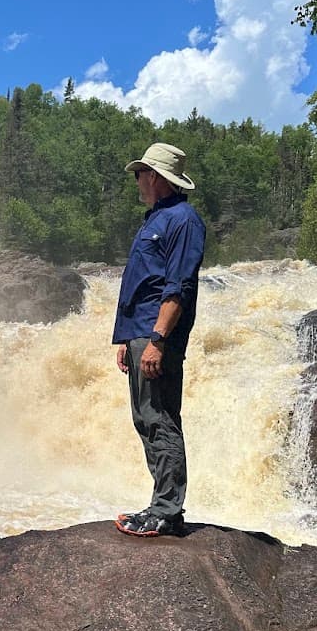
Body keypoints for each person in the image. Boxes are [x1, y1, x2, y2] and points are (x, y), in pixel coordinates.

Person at [113, 143, 206, 537]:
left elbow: (177, 287)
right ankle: (161, 504)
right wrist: (128, 339)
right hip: (141, 333)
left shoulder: (183, 221)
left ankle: (167, 511)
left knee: (160, 418)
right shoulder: (157, 218)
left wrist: (156, 340)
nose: (137, 180)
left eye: (140, 174)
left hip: (156, 336)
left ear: (156, 177)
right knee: (146, 418)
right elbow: (144, 283)